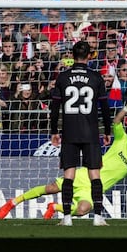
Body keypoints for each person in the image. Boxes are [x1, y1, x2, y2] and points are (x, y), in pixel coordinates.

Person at [0, 95, 127, 220]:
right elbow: (116, 121)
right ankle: (12, 203)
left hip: (94, 189)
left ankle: (56, 208)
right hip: (85, 174)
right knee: (50, 188)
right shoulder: (121, 140)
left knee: (82, 210)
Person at [49, 40, 112, 226]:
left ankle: (67, 217)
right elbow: (105, 107)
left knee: (69, 174)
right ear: (89, 55)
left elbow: (54, 107)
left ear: (72, 55)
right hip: (91, 132)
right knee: (95, 174)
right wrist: (107, 130)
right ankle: (98, 217)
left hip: (70, 131)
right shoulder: (96, 77)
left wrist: (53, 130)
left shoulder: (63, 77)